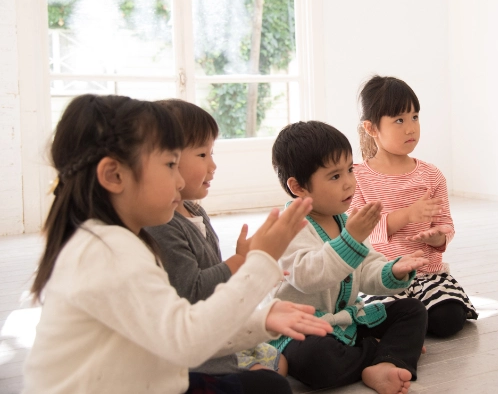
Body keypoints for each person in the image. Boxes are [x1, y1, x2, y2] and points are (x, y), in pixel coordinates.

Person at [23, 95, 332, 394]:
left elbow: (174, 330)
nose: (181, 181)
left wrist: (261, 319)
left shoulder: (113, 242)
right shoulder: (107, 250)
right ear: (114, 175)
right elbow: (187, 341)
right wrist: (262, 260)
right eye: (170, 165)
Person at [270, 120, 430, 394]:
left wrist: (393, 271)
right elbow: (308, 276)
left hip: (345, 321)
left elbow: (366, 268)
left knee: (412, 310)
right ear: (298, 187)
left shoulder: (345, 221)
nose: (348, 183)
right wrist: (349, 240)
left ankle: (383, 364)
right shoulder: (288, 225)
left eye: (349, 170)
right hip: (302, 330)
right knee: (317, 360)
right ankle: (381, 353)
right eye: (334, 177)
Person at [146, 99, 288, 378]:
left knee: (279, 363)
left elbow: (212, 277)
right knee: (271, 380)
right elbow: (193, 291)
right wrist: (241, 262)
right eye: (202, 155)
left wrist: (245, 268)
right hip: (193, 347)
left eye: (211, 153)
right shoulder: (162, 225)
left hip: (216, 329)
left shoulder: (194, 211)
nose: (213, 165)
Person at [349, 75, 477, 337]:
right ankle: (409, 320)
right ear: (372, 128)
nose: (411, 128)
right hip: (382, 276)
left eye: (414, 117)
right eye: (399, 120)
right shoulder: (357, 178)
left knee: (449, 320)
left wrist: (437, 237)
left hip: (428, 274)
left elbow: (446, 225)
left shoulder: (431, 175)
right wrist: (407, 215)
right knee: (380, 319)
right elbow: (359, 232)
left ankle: (415, 317)